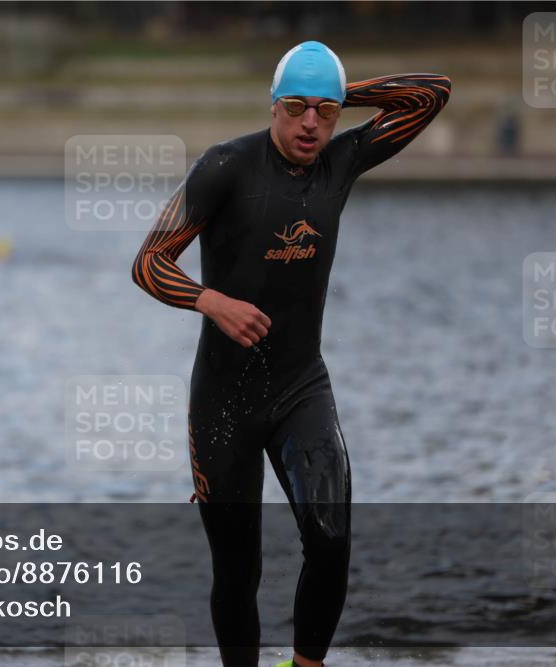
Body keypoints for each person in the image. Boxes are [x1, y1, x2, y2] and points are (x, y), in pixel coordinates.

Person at [131, 41, 450, 667]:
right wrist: (211, 302)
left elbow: (432, 91)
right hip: (223, 402)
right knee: (237, 569)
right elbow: (147, 263)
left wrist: (339, 91)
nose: (311, 124)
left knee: (330, 539)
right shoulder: (225, 166)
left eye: (324, 112)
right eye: (297, 108)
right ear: (274, 106)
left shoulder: (342, 159)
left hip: (300, 386)